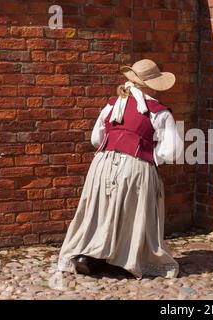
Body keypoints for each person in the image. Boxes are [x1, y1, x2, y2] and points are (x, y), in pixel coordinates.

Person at [57, 59, 183, 279]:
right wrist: (149, 156)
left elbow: (96, 138)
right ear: (151, 84)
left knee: (100, 210)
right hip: (136, 165)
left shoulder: (112, 104)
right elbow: (172, 151)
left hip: (102, 163)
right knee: (131, 212)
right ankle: (124, 260)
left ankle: (89, 256)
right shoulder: (159, 112)